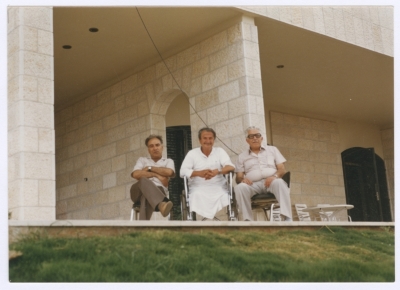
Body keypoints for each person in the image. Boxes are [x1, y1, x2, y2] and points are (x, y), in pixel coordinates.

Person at [234, 126, 292, 221]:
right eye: (251, 136)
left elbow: (282, 169)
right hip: (252, 185)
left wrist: (274, 176)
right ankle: (248, 220)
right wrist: (242, 180)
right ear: (247, 140)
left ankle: (287, 217)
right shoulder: (242, 156)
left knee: (280, 182)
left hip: (271, 182)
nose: (255, 138)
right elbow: (239, 177)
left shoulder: (272, 150)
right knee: (240, 187)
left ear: (262, 138)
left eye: (257, 135)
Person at [180, 127, 235, 220]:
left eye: (210, 138)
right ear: (200, 140)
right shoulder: (192, 153)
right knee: (196, 195)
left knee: (225, 196)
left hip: (219, 187)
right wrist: (199, 173)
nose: (208, 141)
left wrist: (217, 171)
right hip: (198, 188)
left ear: (214, 140)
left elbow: (231, 167)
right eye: (205, 138)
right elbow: (182, 172)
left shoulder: (220, 151)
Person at [130, 134, 175, 220]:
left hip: (159, 190)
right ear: (148, 150)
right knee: (143, 180)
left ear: (162, 147)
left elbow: (169, 172)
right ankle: (161, 204)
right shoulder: (142, 160)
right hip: (137, 191)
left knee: (146, 196)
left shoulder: (168, 161)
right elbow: (135, 174)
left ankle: (142, 228)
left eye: (157, 145)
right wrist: (157, 175)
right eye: (151, 146)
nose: (155, 148)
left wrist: (149, 169)